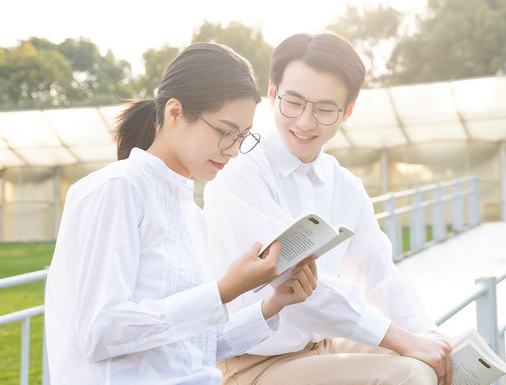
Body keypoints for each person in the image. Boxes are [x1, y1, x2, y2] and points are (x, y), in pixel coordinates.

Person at [44, 42, 318, 385]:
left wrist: (274, 303)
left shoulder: (191, 215)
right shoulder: (117, 189)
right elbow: (101, 331)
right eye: (224, 132)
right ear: (174, 113)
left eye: (242, 137)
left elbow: (191, 348)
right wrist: (223, 291)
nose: (234, 151)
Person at [203, 33, 452, 385]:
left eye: (323, 109)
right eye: (293, 103)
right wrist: (404, 340)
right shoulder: (239, 171)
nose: (305, 122)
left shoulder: (344, 184)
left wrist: (427, 336)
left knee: (447, 356)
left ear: (346, 111)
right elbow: (300, 283)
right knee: (409, 373)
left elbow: (381, 275)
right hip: (249, 365)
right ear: (272, 95)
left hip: (321, 350)